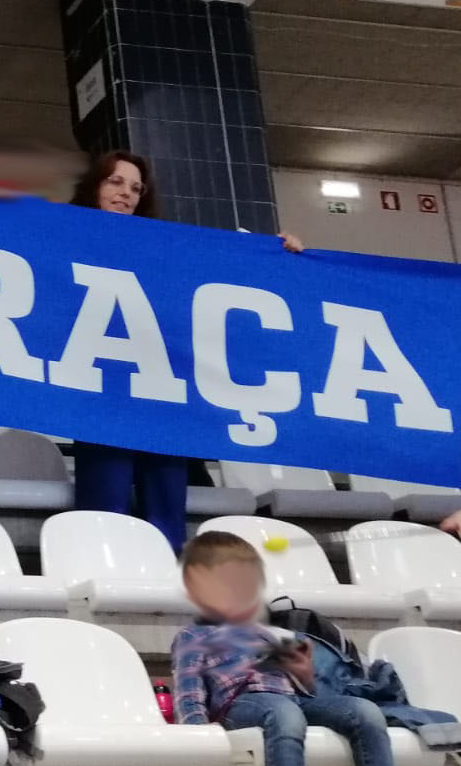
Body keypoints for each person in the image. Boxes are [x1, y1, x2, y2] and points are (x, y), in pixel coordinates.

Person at [66, 150, 301, 550]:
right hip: (100, 393)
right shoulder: (56, 235)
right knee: (105, 502)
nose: (127, 194)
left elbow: (220, 272)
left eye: (137, 188)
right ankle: (103, 574)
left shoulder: (162, 247)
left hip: (162, 393)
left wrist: (275, 254)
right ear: (94, 184)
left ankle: (165, 592)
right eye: (116, 182)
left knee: (167, 506)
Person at [171, 530, 406, 766]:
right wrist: (197, 729)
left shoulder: (271, 631)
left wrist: (299, 664)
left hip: (293, 699)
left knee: (363, 710)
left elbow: (306, 686)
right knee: (284, 713)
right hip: (239, 705)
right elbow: (187, 687)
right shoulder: (194, 634)